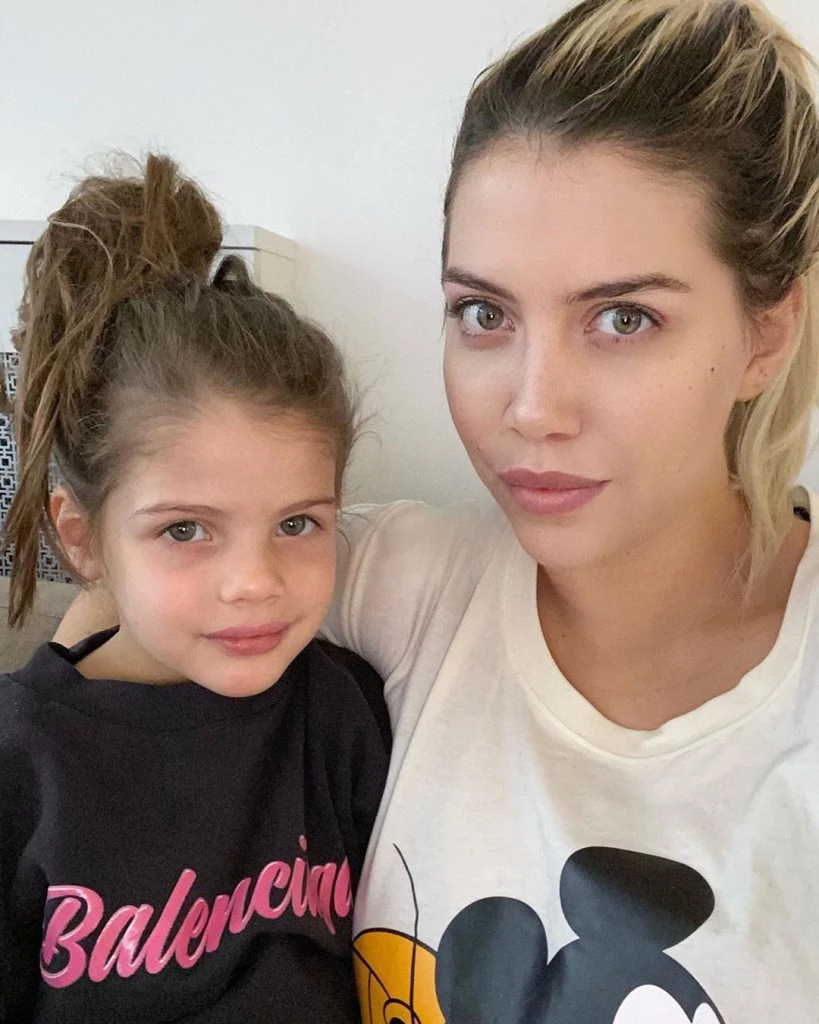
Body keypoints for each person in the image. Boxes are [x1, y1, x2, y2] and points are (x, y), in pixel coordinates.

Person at [57, 0, 819, 1019]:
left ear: (766, 333)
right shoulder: (396, 582)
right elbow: (118, 613)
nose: (533, 408)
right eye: (483, 313)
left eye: (624, 318)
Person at [0, 155, 390, 1023]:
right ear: (84, 540)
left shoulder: (345, 715)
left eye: (297, 523)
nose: (254, 584)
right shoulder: (24, 761)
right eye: (185, 530)